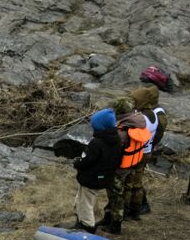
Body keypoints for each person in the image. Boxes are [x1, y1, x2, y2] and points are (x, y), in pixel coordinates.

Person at [72, 107, 121, 232]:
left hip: (91, 178)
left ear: (101, 127)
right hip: (104, 177)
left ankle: (87, 227)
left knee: (85, 203)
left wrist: (77, 162)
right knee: (82, 200)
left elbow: (87, 161)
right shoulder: (117, 139)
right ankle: (81, 221)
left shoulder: (97, 143)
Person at [130, 83, 169, 216]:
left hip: (144, 149)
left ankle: (141, 205)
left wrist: (149, 145)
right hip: (144, 148)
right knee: (135, 179)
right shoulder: (148, 110)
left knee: (136, 180)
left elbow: (158, 134)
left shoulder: (157, 113)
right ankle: (137, 205)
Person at [114, 96, 153, 222]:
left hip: (124, 165)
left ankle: (122, 216)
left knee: (122, 190)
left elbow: (117, 148)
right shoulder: (140, 122)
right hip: (136, 160)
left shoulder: (124, 128)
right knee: (135, 186)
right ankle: (135, 213)